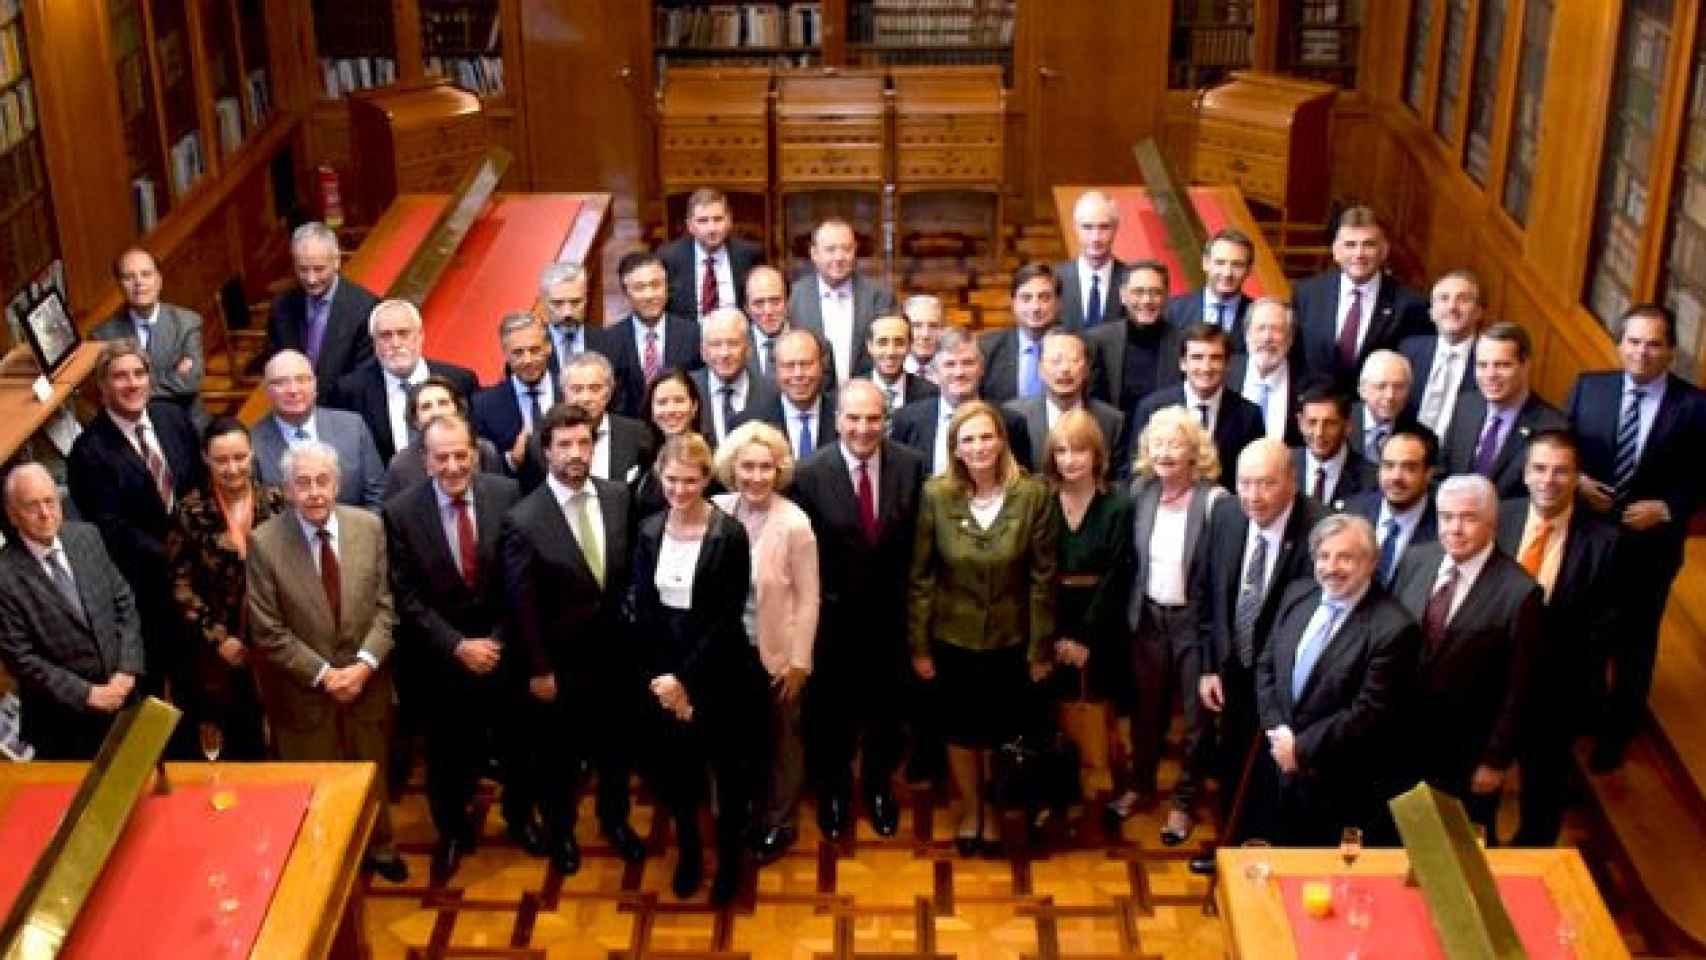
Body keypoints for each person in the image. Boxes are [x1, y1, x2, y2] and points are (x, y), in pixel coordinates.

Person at [246, 441, 407, 881]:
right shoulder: (264, 543)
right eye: (304, 483)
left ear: (337, 483)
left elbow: (388, 607)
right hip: (304, 695)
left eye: (323, 481)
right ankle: (330, 861)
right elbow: (268, 630)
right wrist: (324, 675)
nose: (315, 492)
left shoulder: (369, 527)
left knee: (369, 773)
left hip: (367, 684)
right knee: (316, 789)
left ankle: (381, 847)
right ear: (287, 490)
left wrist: (363, 667)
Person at [501, 404, 649, 875]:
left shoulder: (617, 497)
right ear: (546, 452)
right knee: (559, 760)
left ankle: (615, 821)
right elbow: (521, 606)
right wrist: (539, 669)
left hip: (617, 658)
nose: (575, 453)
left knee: (616, 751)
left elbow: (628, 574)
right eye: (564, 445)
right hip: (560, 666)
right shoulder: (523, 519)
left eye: (584, 443)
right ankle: (562, 832)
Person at [909, 401, 1057, 854]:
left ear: (1002, 441)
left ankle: (994, 810)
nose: (978, 447)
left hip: (1010, 642)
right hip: (952, 640)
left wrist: (1040, 650)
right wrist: (920, 646)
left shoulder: (1032, 495)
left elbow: (1043, 579)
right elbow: (921, 577)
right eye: (967, 439)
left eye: (985, 437)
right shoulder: (937, 495)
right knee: (960, 732)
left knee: (998, 734)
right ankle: (970, 808)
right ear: (955, 447)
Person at [1565, 303, 1706, 770]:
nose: (1642, 353)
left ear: (1670, 352)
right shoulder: (1590, 388)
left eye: (1653, 344)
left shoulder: (1695, 406)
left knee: (1634, 641)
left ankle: (1618, 732)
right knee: (1584, 631)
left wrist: (1667, 509)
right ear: (1619, 344)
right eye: (1634, 342)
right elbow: (1562, 446)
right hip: (1589, 536)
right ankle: (1583, 711)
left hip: (1650, 546)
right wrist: (1578, 480)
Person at [384, 414, 523, 885]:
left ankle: (521, 820)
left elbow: (518, 580)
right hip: (441, 661)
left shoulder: (505, 495)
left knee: (515, 745)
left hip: (503, 653)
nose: (452, 465)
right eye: (441, 457)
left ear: (475, 453)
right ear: (425, 461)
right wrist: (458, 645)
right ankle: (453, 831)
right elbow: (406, 597)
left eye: (461, 454)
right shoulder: (401, 513)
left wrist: (498, 641)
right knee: (447, 758)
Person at [791, 381, 926, 848]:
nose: (863, 428)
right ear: (837, 420)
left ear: (885, 419)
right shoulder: (808, 473)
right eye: (853, 418)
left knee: (886, 713)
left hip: (891, 618)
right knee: (831, 715)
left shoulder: (910, 466)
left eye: (873, 418)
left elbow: (914, 545)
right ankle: (833, 791)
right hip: (832, 621)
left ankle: (877, 786)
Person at [630, 433, 760, 903]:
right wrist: (665, 681)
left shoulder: (730, 534)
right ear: (659, 478)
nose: (680, 490)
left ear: (706, 479)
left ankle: (729, 862)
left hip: (719, 676)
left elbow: (726, 618)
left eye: (690, 480)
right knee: (678, 778)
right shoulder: (647, 531)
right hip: (663, 677)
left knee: (729, 778)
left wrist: (685, 682)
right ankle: (688, 852)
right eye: (671, 480)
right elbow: (643, 610)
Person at [1251, 514, 1421, 845]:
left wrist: (1301, 748)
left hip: (1339, 784)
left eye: (1346, 557)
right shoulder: (1297, 595)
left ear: (1371, 562)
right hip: (1278, 763)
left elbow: (1369, 711)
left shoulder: (1394, 628)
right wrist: (1280, 734)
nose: (1332, 567)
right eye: (1324, 556)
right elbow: (1266, 667)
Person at [1390, 475, 1543, 839]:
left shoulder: (1520, 592)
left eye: (1468, 518)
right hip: (1401, 744)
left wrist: (1495, 760)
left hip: (1466, 756)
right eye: (1446, 517)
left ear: (1492, 523)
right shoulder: (1415, 559)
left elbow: (1520, 688)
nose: (1454, 529)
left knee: (1457, 855)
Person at [1191, 438, 1323, 853]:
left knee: (1275, 771)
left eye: (1265, 484)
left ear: (1291, 481)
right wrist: (1209, 666)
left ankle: (1272, 853)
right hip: (1232, 671)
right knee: (1232, 765)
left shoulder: (1316, 529)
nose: (1253, 496)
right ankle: (1231, 847)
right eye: (1245, 483)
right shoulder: (1227, 515)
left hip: (1285, 681)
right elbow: (1207, 593)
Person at [1494, 431, 1619, 845]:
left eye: (1561, 470)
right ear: (1526, 474)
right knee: (1477, 800)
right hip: (1487, 684)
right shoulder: (1497, 518)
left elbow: (1603, 629)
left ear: (1577, 477)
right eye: (1540, 468)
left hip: (1555, 692)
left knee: (1542, 804)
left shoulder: (1606, 542)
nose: (1549, 480)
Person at [68, 339, 203, 703]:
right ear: (102, 386)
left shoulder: (171, 417)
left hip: (201, 578)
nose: (132, 384)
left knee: (207, 682)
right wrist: (176, 558)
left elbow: (198, 484)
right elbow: (112, 530)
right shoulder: (88, 453)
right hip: (148, 590)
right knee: (164, 691)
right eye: (120, 376)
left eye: (139, 373)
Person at [710, 421, 820, 860]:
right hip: (722, 654)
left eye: (766, 467)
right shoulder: (715, 511)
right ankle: (731, 815)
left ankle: (779, 820)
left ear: (779, 471)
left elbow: (809, 600)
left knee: (782, 741)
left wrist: (800, 663)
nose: (756, 476)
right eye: (747, 467)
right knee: (728, 739)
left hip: (775, 652)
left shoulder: (795, 523)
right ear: (731, 469)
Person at [0, 463, 144, 759]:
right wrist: (88, 694)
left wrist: (127, 669)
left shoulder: (86, 536)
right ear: (13, 516)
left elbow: (124, 602)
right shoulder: (5, 575)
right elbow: (21, 658)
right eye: (31, 506)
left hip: (124, 700)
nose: (45, 513)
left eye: (50, 501)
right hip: (64, 726)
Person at [167, 418, 286, 763]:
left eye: (240, 457)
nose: (233, 468)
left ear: (252, 455)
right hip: (219, 654)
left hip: (274, 643)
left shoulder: (277, 501)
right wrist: (219, 639)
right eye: (222, 460)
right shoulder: (190, 511)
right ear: (206, 459)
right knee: (239, 743)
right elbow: (180, 585)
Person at [1039, 409, 1134, 810]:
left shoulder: (1118, 505)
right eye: (1061, 451)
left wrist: (1083, 638)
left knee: (1105, 717)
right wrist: (1057, 636)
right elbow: (1038, 571)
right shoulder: (1042, 501)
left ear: (1097, 454)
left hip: (1102, 629)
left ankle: (1109, 795)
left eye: (1079, 450)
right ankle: (1059, 796)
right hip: (1051, 624)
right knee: (1052, 717)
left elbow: (1117, 576)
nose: (1070, 459)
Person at [325, 298, 478, 462]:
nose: (395, 343)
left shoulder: (461, 381)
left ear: (420, 336)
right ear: (374, 343)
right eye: (385, 336)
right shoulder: (350, 391)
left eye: (403, 333)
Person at [1290, 206, 1428, 388]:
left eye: (1369, 244)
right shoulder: (1307, 293)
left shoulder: (1410, 304)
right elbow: (1296, 359)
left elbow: (1412, 371)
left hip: (1375, 411)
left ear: (1384, 250)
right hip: (1317, 409)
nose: (1359, 254)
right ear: (1336, 251)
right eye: (1350, 245)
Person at [1131, 323, 1266, 492]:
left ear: (1228, 364)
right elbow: (1138, 470)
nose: (1206, 367)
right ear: (1182, 363)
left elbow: (1253, 473)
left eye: (1215, 358)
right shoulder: (1152, 408)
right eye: (1197, 357)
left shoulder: (1249, 415)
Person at [1441, 322, 1568, 499]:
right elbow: (1442, 471)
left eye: (1502, 365)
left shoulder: (1552, 427)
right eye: (1482, 365)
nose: (1490, 375)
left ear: (1525, 365)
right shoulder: (1466, 406)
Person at [251, 350, 386, 509]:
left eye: (302, 380)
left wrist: (362, 532)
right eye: (281, 382)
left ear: (315, 385)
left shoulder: (353, 426)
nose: (293, 390)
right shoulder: (253, 443)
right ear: (267, 391)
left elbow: (378, 494)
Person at [892, 328, 1034, 475]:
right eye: (950, 364)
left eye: (968, 363)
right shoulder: (907, 421)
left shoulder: (1011, 423)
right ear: (935, 372)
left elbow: (1021, 481)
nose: (959, 373)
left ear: (982, 368)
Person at [91, 246, 207, 424]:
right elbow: (107, 393)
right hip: (131, 426)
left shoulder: (187, 323)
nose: (139, 282)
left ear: (159, 280)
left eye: (146, 274)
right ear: (119, 285)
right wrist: (173, 376)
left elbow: (190, 382)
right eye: (129, 277)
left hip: (185, 423)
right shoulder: (103, 336)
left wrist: (130, 389)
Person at [517, 351, 658, 494]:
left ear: (609, 393)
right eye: (577, 389)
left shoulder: (637, 434)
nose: (586, 398)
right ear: (564, 393)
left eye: (595, 388)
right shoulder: (540, 443)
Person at [266, 221, 378, 395]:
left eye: (319, 269)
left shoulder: (365, 309)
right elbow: (275, 363)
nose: (311, 279)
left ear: (336, 261)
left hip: (344, 412)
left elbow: (363, 376)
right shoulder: (282, 307)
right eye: (303, 269)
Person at [789, 217, 897, 384]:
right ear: (814, 254)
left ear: (855, 250)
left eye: (846, 249)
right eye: (830, 250)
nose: (839, 257)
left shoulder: (880, 296)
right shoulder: (795, 296)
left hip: (867, 399)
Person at [1005, 330, 1126, 478]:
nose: (1065, 369)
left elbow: (1116, 482)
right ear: (1040, 368)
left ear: (1087, 369)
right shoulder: (1014, 416)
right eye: (1056, 361)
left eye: (1074, 360)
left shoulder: (1111, 421)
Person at [603, 251, 703, 419]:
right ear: (626, 292)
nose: (649, 295)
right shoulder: (609, 340)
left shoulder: (693, 334)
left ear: (666, 287)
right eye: (639, 288)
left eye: (656, 285)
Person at [1344, 425, 1441, 587]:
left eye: (1409, 468)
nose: (1396, 477)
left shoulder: (1442, 530)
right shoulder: (1351, 513)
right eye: (1389, 465)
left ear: (1428, 473)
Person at [1086, 260, 1184, 417]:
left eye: (1155, 292)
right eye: (1138, 292)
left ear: (1166, 296)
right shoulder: (1098, 341)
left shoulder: (1183, 343)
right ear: (1123, 296)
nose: (1147, 300)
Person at [383, 376, 506, 500]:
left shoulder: (485, 450)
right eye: (426, 407)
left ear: (458, 409)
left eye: (443, 403)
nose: (436, 412)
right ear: (415, 420)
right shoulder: (401, 466)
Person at [1399, 269, 1484, 440]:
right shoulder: (1408, 350)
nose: (1452, 307)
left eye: (1463, 299)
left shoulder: (1489, 361)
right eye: (1444, 299)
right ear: (1431, 312)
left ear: (1478, 312)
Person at [470, 313, 556, 475]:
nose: (527, 360)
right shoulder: (484, 405)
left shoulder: (571, 391)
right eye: (518, 353)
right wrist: (512, 460)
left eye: (534, 350)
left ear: (548, 347)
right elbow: (481, 470)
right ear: (505, 354)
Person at [660, 187, 765, 319]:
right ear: (690, 226)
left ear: (729, 221)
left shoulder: (750, 255)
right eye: (703, 221)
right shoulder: (669, 258)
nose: (712, 228)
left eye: (718, 219)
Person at [738, 329, 839, 459]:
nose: (798, 374)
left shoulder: (845, 417)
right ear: (775, 370)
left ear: (822, 366)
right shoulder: (748, 424)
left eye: (806, 364)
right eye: (789, 365)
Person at [691, 307, 779, 447]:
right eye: (716, 344)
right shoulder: (688, 389)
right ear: (703, 352)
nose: (725, 353)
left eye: (733, 343)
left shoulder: (773, 392)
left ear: (748, 349)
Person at [980, 263, 1064, 407]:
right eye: (1026, 298)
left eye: (1044, 298)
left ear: (1058, 303)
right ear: (1013, 303)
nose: (1035, 307)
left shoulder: (1076, 347)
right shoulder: (986, 349)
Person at [632, 368, 706, 518]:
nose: (671, 410)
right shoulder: (642, 456)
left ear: (694, 406)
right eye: (662, 402)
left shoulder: (709, 457)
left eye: (679, 401)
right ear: (651, 410)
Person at [1227, 298, 1301, 445]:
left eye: (1276, 329)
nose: (1267, 338)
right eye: (1260, 328)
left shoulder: (1306, 384)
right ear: (1247, 335)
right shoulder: (1224, 374)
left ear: (1290, 338)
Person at [1165, 228, 1256, 343]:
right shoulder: (1173, 311)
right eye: (1220, 263)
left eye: (1237, 265)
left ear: (1249, 270)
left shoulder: (1258, 316)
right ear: (1205, 263)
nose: (1227, 273)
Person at [1293, 384, 1377, 508]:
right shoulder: (1284, 466)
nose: (1319, 433)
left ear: (1348, 426)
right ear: (1300, 423)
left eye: (1330, 423)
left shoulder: (1371, 480)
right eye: (1312, 422)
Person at [1055, 190, 1129, 329]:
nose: (1095, 237)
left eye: (1104, 227)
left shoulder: (1131, 279)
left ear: (1116, 228)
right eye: (1087, 227)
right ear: (1075, 228)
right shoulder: (1054, 278)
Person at [1348, 349, 1414, 460]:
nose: (1390, 396)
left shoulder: (1417, 436)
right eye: (1381, 386)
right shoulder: (1340, 421)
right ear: (1362, 389)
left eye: (1399, 387)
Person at [867, 314, 939, 411]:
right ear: (870, 346)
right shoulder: (852, 393)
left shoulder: (931, 395)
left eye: (899, 343)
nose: (891, 352)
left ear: (910, 346)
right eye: (882, 343)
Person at [539, 261, 595, 385]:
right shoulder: (530, 349)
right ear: (543, 302)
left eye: (575, 302)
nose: (567, 313)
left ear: (586, 300)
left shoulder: (612, 344)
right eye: (558, 303)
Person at [745, 265, 795, 381]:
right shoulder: (735, 347)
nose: (768, 311)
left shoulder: (815, 345)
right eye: (759, 303)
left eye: (775, 301)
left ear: (787, 302)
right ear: (746, 308)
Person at [903, 294, 946, 381]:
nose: (925, 334)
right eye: (917, 326)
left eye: (933, 326)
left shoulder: (954, 373)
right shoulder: (890, 372)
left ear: (942, 329)